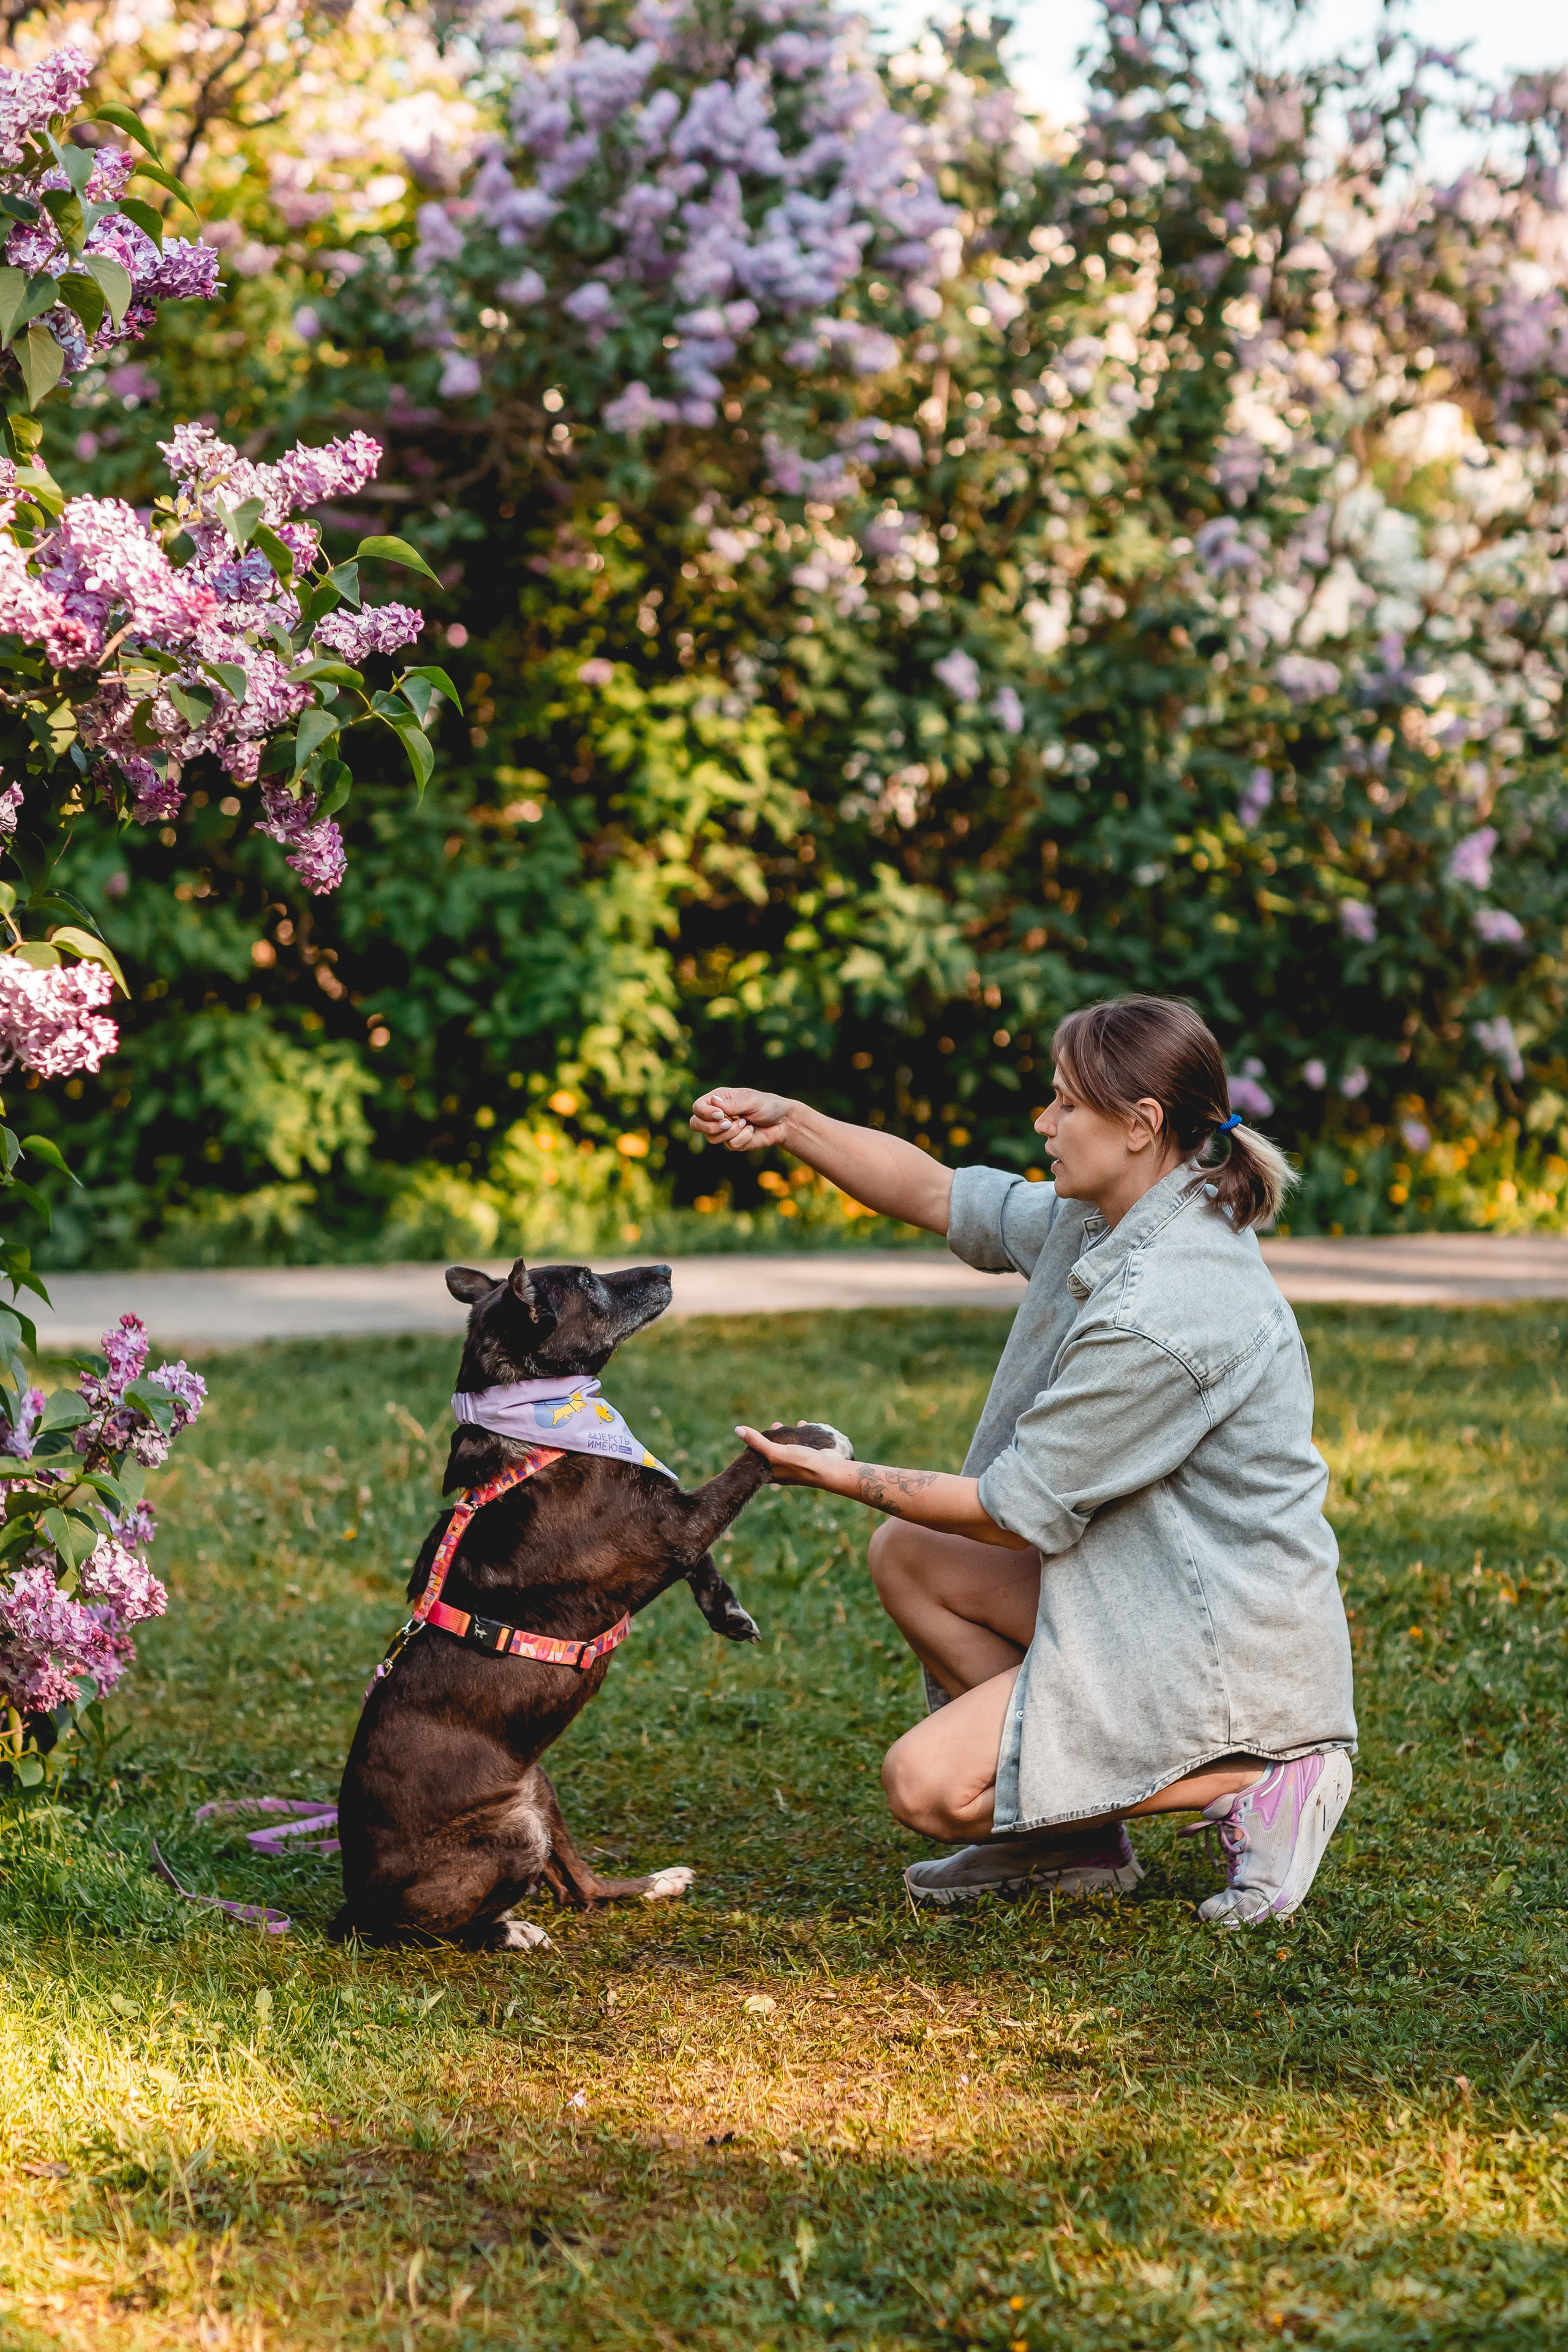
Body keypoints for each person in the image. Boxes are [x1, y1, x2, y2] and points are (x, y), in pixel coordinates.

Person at [689, 995, 1357, 1927]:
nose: (1044, 1124)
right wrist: (790, 1121)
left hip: (1223, 1639)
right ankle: (1068, 1838)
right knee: (910, 1554)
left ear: (1140, 1125)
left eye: (1064, 1106)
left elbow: (1015, 1511)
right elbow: (938, 1193)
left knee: (926, 1785)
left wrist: (841, 1475)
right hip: (1146, 1587)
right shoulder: (1113, 1215)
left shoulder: (1167, 1306)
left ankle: (1269, 1770)